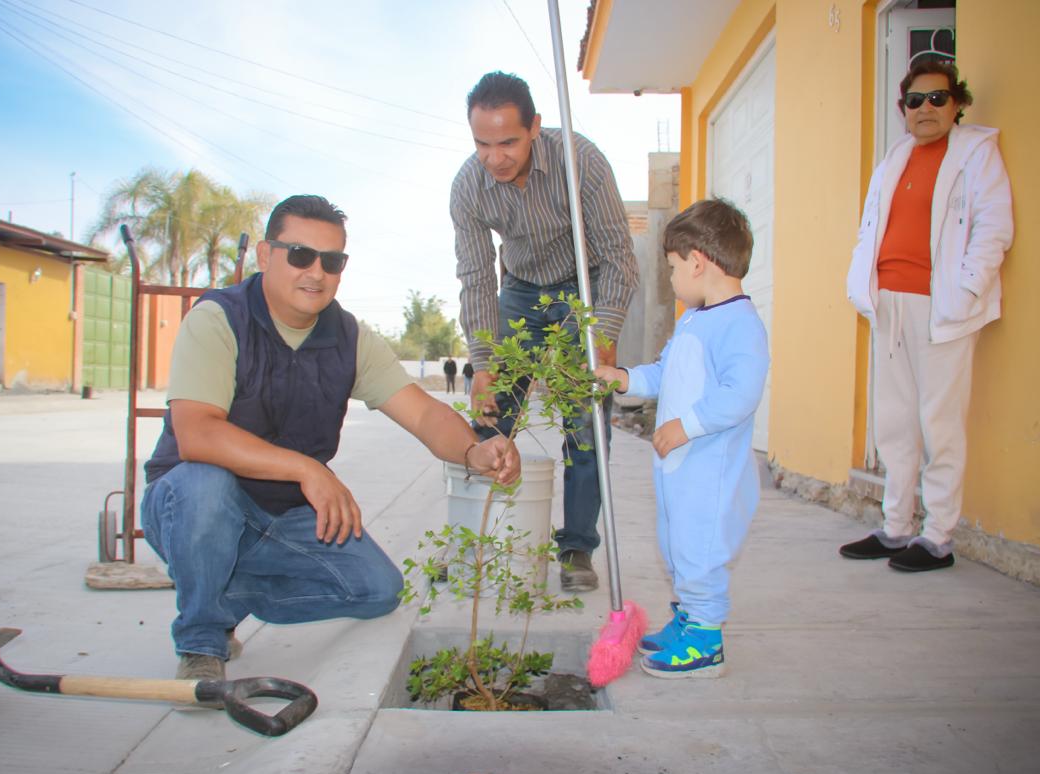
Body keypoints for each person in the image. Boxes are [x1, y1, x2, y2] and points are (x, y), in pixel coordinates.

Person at [141, 195, 520, 684]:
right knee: (204, 485)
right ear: (265, 255)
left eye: (332, 261)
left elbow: (424, 413)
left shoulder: (349, 338)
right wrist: (307, 469)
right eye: (300, 255)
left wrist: (473, 449)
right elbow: (197, 434)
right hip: (191, 506)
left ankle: (220, 591)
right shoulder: (219, 319)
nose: (316, 273)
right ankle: (201, 638)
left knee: (377, 589)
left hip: (281, 515)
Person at [451, 71, 638, 593]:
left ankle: (577, 546)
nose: (495, 158)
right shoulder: (467, 187)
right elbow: (476, 277)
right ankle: (478, 536)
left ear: (534, 127)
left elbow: (619, 258)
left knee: (585, 422)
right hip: (519, 290)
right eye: (482, 144)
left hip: (583, 287)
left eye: (508, 142)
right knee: (492, 416)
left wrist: (601, 339)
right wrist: (483, 364)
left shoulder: (582, 161)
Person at [841, 60, 1013, 573]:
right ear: (904, 109)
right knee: (894, 422)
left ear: (957, 104)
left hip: (943, 309)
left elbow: (994, 228)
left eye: (937, 98)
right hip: (889, 304)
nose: (926, 109)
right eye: (915, 101)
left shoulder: (976, 154)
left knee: (940, 424)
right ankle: (895, 528)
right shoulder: (895, 158)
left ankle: (937, 538)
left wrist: (965, 291)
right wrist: (861, 283)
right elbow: (870, 226)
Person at [595, 199, 768, 678]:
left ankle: (706, 641)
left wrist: (687, 425)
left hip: (710, 474)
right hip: (680, 471)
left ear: (697, 262)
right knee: (677, 547)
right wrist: (623, 378)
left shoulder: (739, 324)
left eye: (672, 268)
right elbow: (665, 373)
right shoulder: (696, 317)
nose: (670, 279)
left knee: (701, 552)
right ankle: (688, 619)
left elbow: (741, 393)